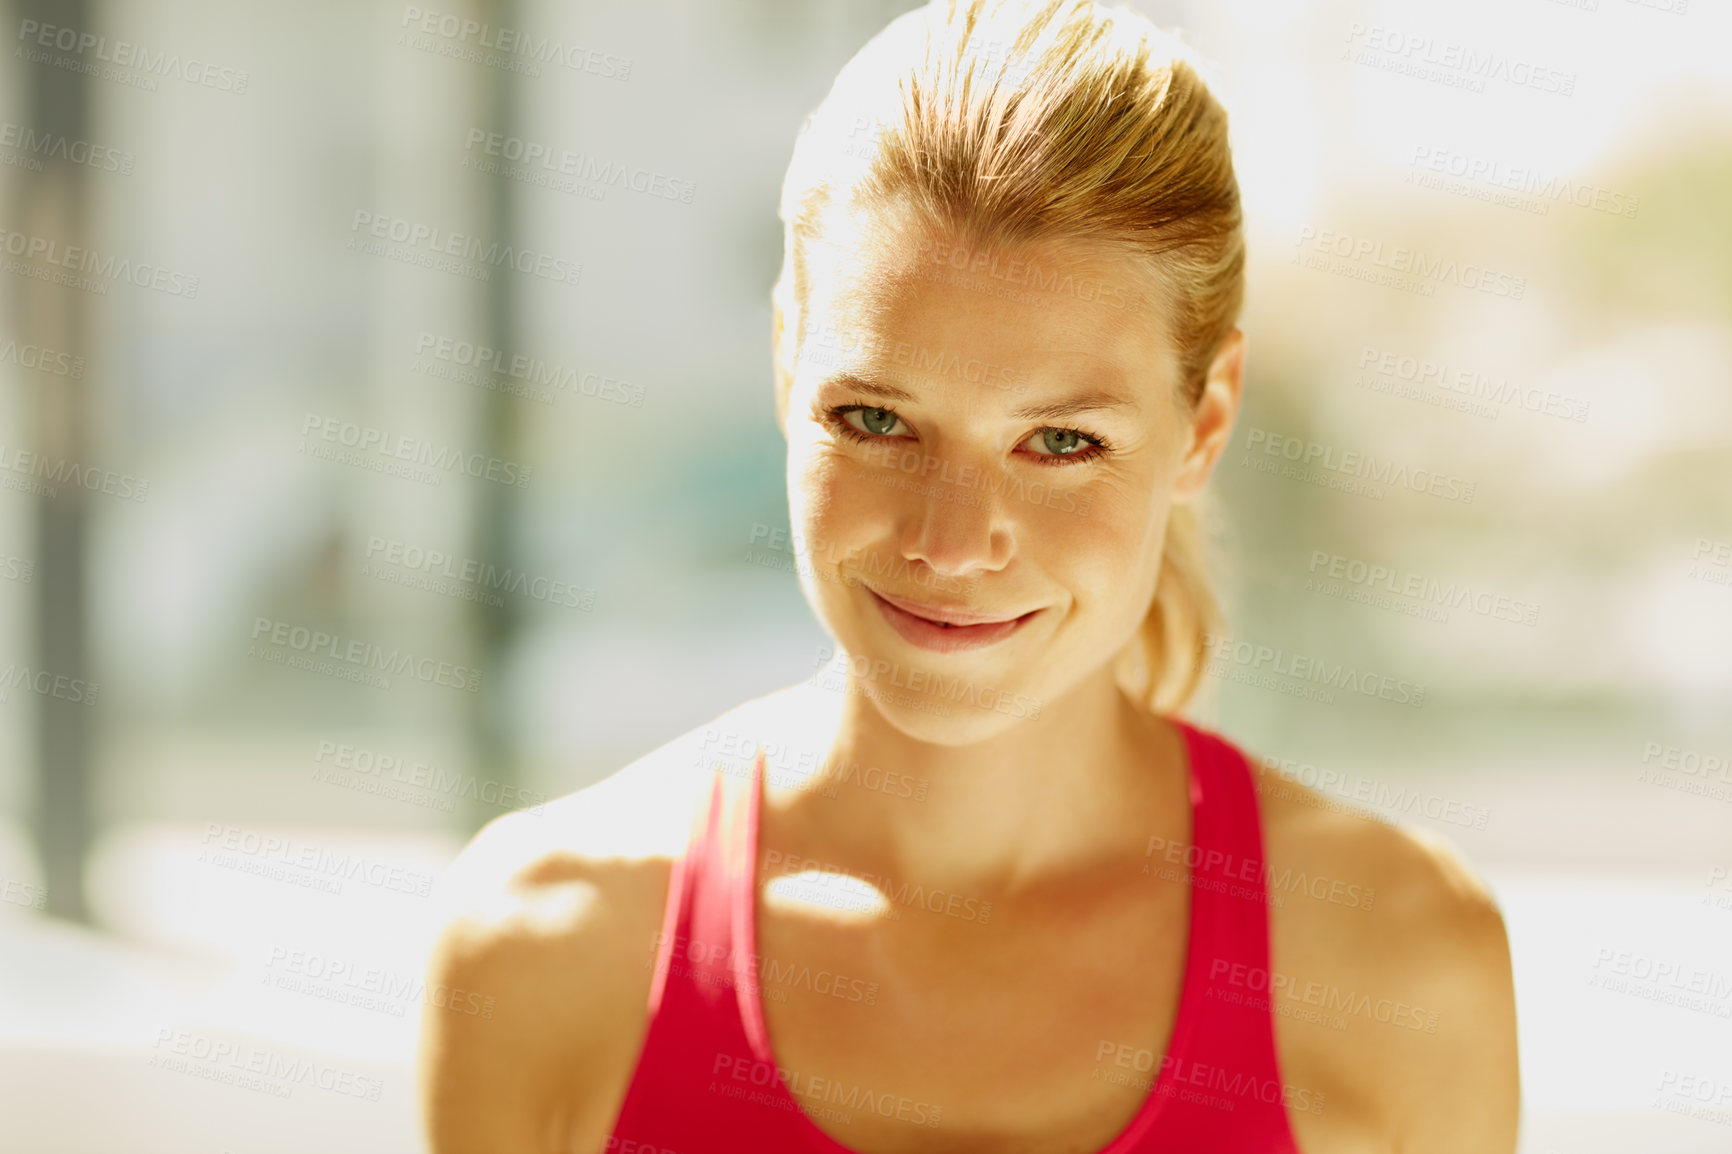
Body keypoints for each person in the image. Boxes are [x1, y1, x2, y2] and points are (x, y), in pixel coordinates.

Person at [416, 1, 1520, 1150]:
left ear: (1203, 422)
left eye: (1060, 442)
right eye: (878, 416)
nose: (950, 541)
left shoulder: (1399, 966)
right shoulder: (546, 942)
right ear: (790, 359)